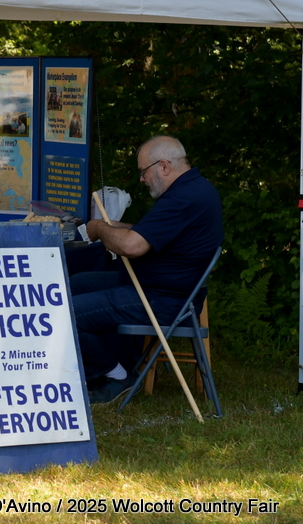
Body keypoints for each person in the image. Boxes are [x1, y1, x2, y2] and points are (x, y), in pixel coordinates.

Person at [70, 136, 223, 404]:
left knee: (62, 313)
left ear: (163, 166)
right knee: (76, 284)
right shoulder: (194, 189)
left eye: (143, 172)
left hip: (161, 300)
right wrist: (115, 227)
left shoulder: (182, 197)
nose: (142, 179)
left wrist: (99, 228)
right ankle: (94, 368)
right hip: (157, 289)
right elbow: (149, 234)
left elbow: (131, 246)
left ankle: (117, 375)